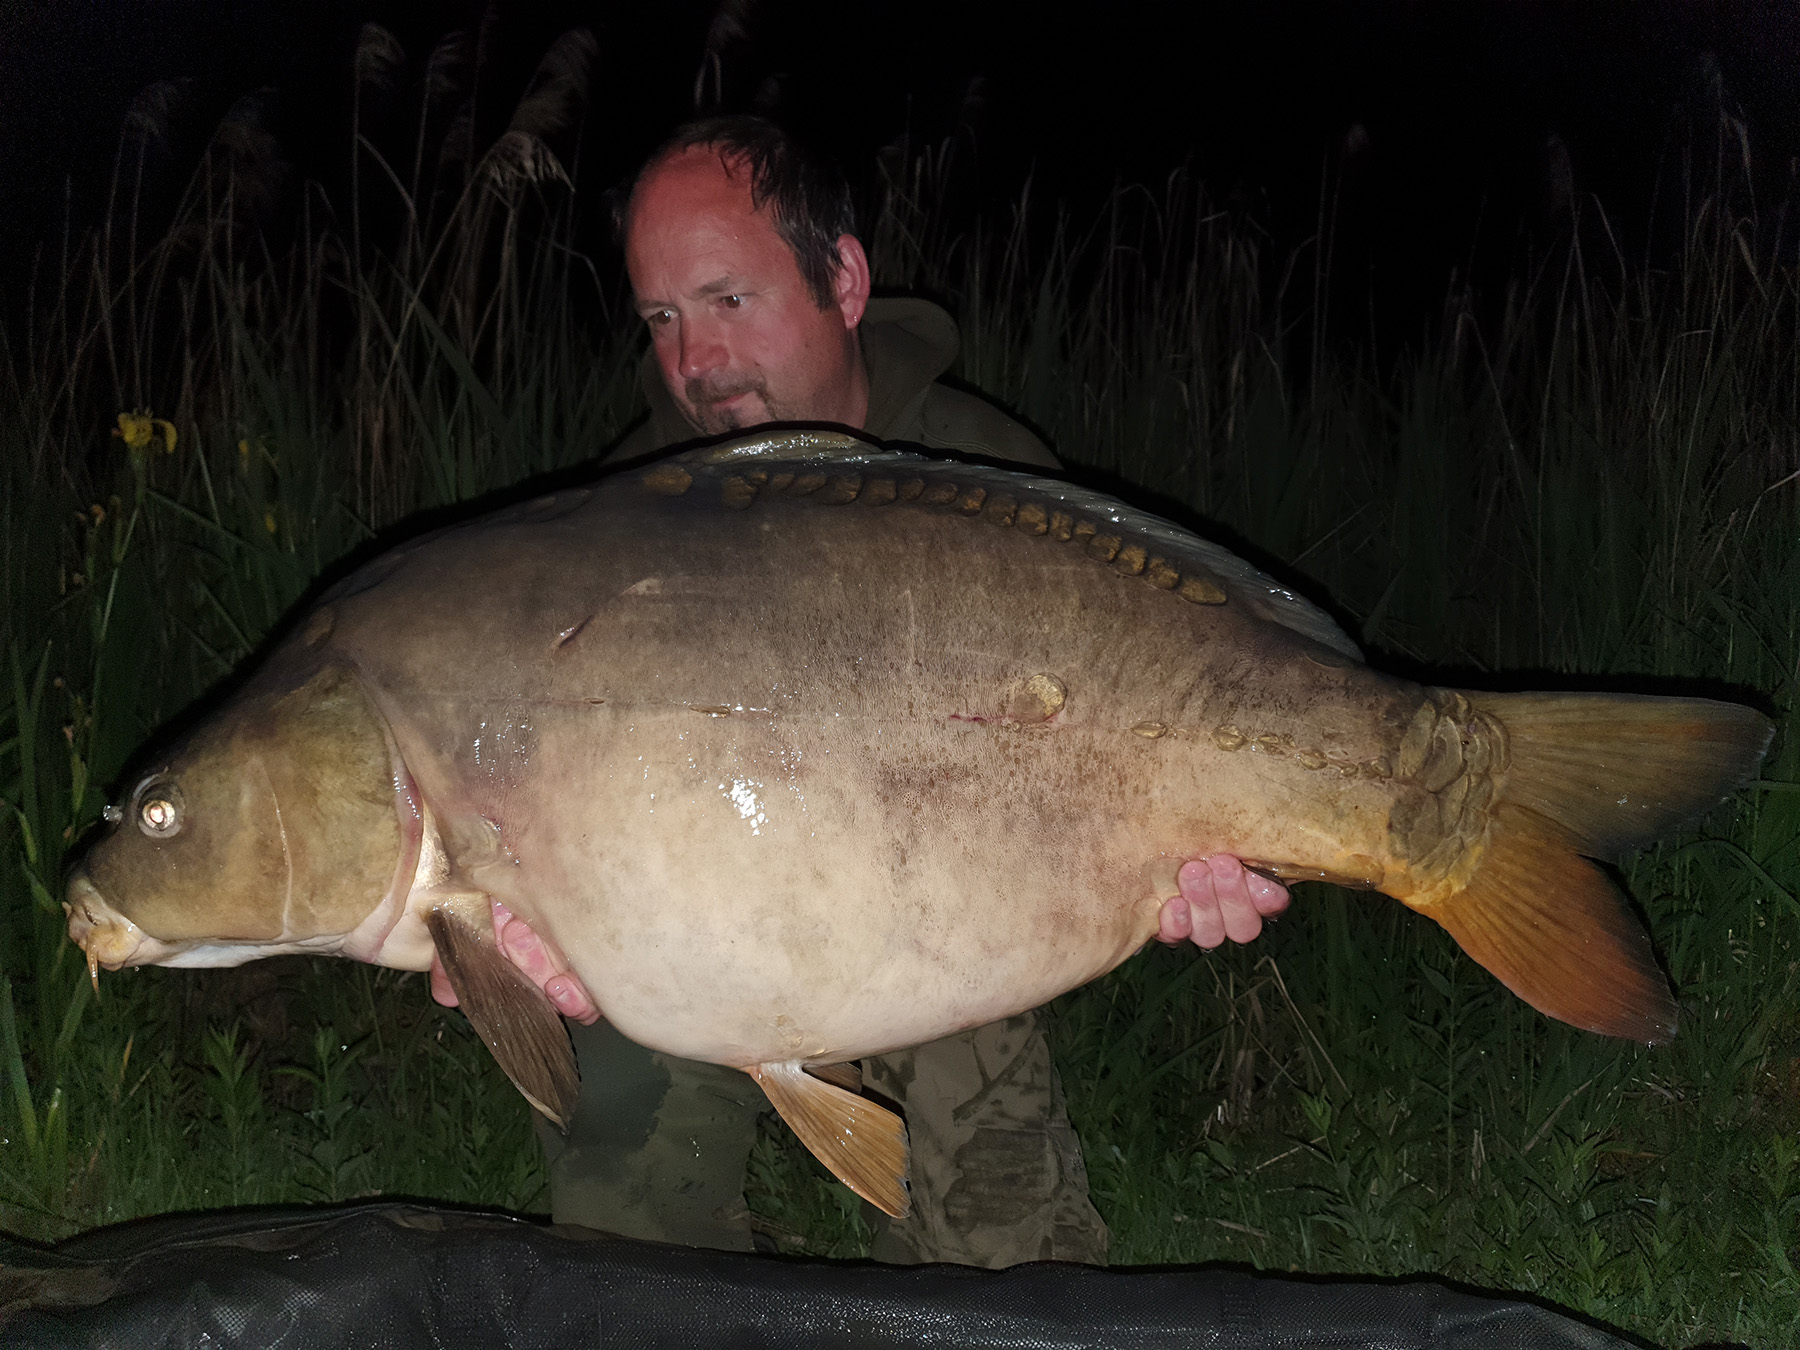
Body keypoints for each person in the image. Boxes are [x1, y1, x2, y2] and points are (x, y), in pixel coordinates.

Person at [430, 115, 1290, 1267]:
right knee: (615, 1092)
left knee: (999, 1253)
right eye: (662, 318)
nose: (695, 363)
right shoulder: (616, 525)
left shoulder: (988, 482)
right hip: (692, 932)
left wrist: (1210, 852)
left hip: (934, 915)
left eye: (728, 301)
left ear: (841, 276)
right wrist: (499, 926)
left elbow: (1144, 735)